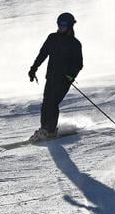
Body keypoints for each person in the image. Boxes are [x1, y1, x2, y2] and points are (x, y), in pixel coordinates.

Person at [28, 12, 83, 142]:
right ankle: (44, 129)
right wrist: (33, 68)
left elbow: (78, 64)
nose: (60, 27)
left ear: (70, 25)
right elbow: (42, 54)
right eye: (59, 24)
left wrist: (70, 76)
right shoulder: (52, 38)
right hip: (51, 77)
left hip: (64, 80)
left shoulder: (74, 43)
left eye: (63, 24)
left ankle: (51, 131)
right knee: (46, 103)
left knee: (52, 103)